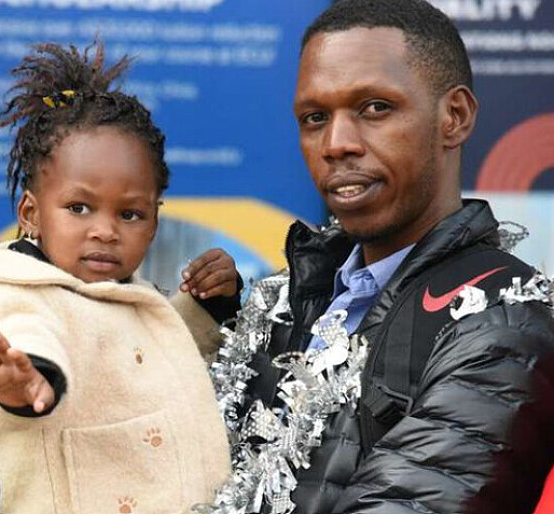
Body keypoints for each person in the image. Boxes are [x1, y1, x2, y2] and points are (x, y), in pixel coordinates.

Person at [221, 1, 554, 513]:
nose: (336, 144)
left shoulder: (504, 321)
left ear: (454, 117)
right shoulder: (281, 303)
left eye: (375, 108)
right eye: (314, 118)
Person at [0, 41, 237, 514]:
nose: (105, 231)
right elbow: (22, 330)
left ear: (154, 223)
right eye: (79, 208)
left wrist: (212, 304)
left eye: (130, 214)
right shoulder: (12, 287)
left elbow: (146, 353)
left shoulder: (124, 293)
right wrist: (28, 377)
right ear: (31, 213)